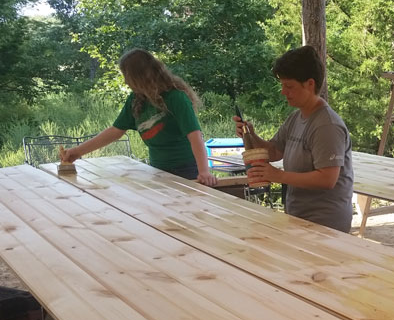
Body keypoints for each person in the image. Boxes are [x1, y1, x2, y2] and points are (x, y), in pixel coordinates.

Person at [234, 45, 354, 233]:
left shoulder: (326, 125)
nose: (283, 91)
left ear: (310, 84)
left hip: (326, 225)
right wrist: (249, 135)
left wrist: (278, 176)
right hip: (300, 218)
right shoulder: (296, 117)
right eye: (282, 85)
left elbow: (327, 179)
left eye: (289, 86)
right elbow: (273, 151)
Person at [60, 49, 217, 186]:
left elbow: (195, 135)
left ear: (140, 76)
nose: (125, 81)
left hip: (187, 169)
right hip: (157, 169)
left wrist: (204, 171)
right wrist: (77, 152)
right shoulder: (136, 100)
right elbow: (115, 131)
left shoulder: (175, 98)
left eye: (127, 76)